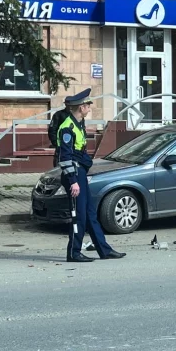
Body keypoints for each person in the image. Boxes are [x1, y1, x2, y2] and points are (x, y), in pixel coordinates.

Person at [57, 88, 125, 263]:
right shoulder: (67, 128)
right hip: (73, 174)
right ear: (80, 107)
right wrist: (73, 181)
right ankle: (74, 252)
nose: (89, 107)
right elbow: (65, 158)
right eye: (87, 105)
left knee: (89, 213)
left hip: (80, 173)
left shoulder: (79, 124)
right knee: (78, 214)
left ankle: (104, 250)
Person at [48, 97, 73, 167]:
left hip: (74, 149)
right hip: (61, 148)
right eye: (68, 105)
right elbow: (52, 130)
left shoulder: (77, 116)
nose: (70, 107)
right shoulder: (58, 115)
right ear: (66, 105)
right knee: (59, 169)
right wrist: (57, 144)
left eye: (72, 105)